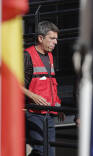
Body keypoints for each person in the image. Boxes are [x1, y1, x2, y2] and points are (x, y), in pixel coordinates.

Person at [23, 21, 64, 156]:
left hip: (50, 113)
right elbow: (14, 84)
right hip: (34, 113)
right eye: (52, 38)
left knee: (48, 152)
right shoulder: (27, 56)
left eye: (56, 39)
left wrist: (59, 107)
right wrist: (33, 96)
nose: (55, 42)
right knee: (42, 151)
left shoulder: (50, 56)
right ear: (41, 38)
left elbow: (51, 84)